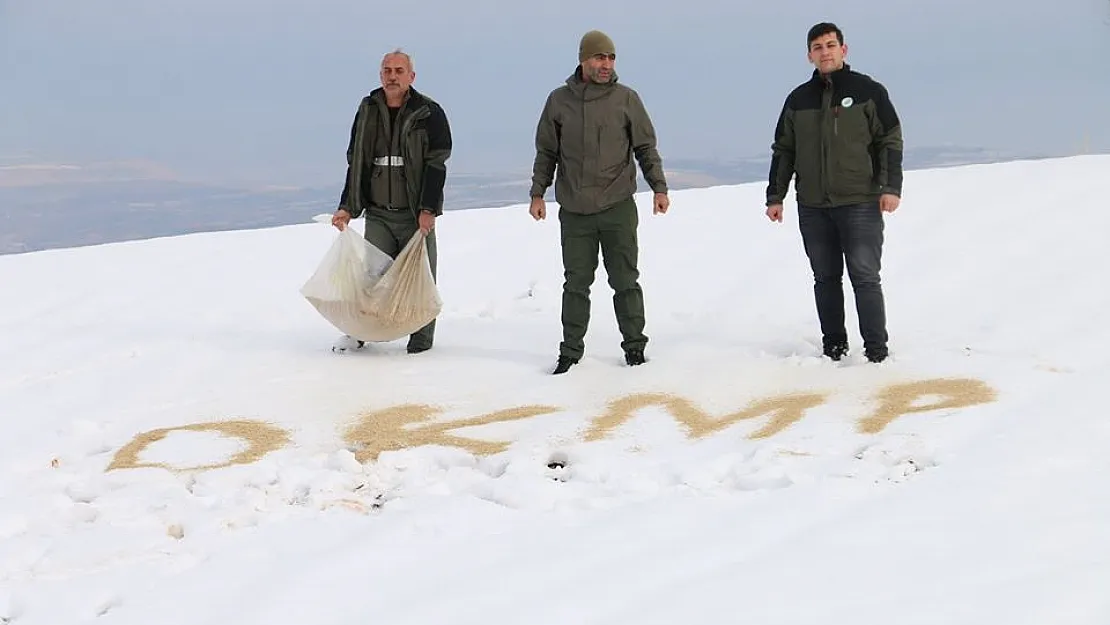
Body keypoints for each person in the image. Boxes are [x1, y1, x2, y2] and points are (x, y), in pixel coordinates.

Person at [529, 30, 671, 375]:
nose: (606, 64)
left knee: (625, 280)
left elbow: (645, 149)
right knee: (576, 283)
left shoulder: (626, 99)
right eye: (599, 57)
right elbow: (547, 151)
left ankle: (635, 349)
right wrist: (537, 193)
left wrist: (659, 187)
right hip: (575, 211)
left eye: (610, 58)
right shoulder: (558, 101)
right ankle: (570, 352)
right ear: (583, 60)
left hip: (617, 206)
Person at [764, 22, 903, 364]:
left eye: (830, 45)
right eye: (818, 47)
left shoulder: (869, 91)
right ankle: (834, 348)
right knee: (825, 278)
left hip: (859, 202)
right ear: (809, 55)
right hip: (813, 205)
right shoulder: (798, 100)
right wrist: (775, 195)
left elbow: (890, 139)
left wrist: (891, 187)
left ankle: (876, 351)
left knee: (865, 277)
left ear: (844, 49)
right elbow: (784, 150)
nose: (824, 52)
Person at [329, 49, 452, 355]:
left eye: (399, 71)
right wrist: (348, 206)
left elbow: (437, 163)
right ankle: (360, 335)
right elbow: (355, 160)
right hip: (379, 215)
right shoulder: (368, 109)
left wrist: (428, 209)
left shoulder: (429, 112)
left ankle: (421, 346)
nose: (392, 76)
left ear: (412, 76)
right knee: (370, 281)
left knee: (420, 282)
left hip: (414, 215)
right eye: (387, 71)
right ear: (380, 75)